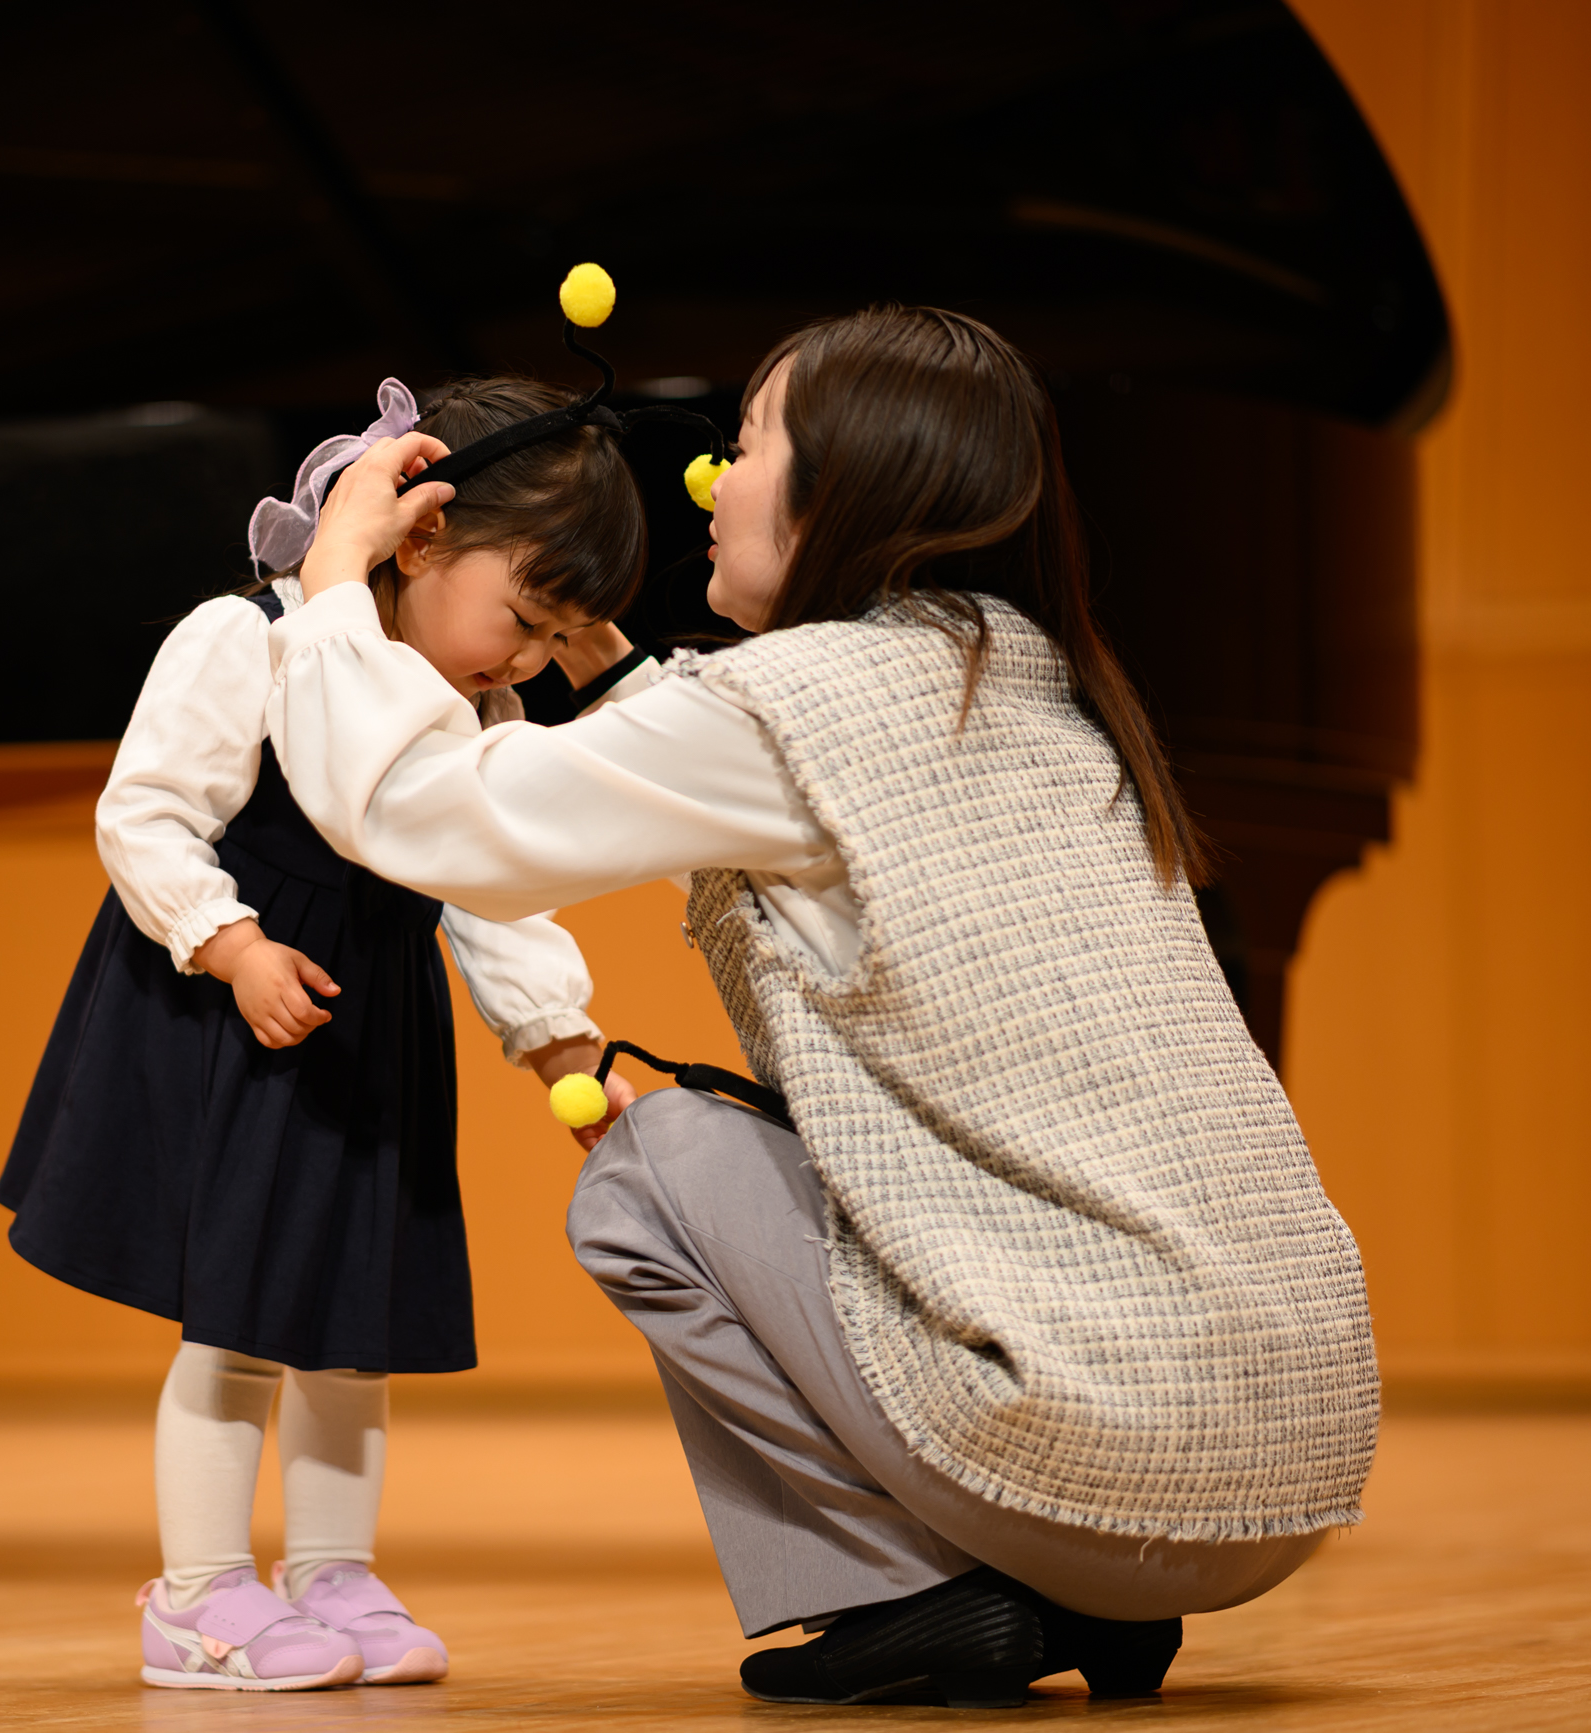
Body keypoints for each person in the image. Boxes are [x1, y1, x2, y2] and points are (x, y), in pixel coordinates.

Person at [261, 306, 1380, 1708]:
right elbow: (742, 763)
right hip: (1281, 1472)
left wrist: (331, 590)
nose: (717, 483)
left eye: (748, 446)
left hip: (1096, 1466)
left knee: (649, 1170)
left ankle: (920, 1591)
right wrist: (606, 664)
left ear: (851, 487)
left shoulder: (787, 702)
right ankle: (1064, 1590)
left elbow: (432, 822)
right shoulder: (1030, 674)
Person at [0, 377, 648, 1693]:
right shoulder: (246, 641)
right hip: (242, 1016)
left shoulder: (474, 710)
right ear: (419, 538)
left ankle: (333, 1571)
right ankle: (196, 1593)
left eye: (551, 641)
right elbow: (146, 816)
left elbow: (491, 888)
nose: (522, 664)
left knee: (352, 1322)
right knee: (234, 1320)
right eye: (520, 620)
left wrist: (560, 1044)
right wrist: (230, 943)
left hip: (366, 1035)